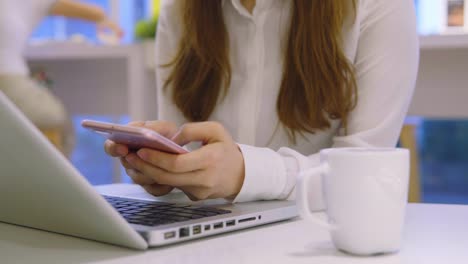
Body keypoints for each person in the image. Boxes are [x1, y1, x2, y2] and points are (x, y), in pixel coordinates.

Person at [105, 0, 419, 210]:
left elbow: (362, 174)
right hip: (210, 239)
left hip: (320, 238)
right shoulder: (182, 10)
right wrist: (164, 168)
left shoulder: (378, 6)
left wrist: (246, 173)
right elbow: (185, 154)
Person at [0, 0, 122, 154]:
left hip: (11, 80)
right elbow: (97, 13)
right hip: (7, 80)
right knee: (56, 121)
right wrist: (105, 21)